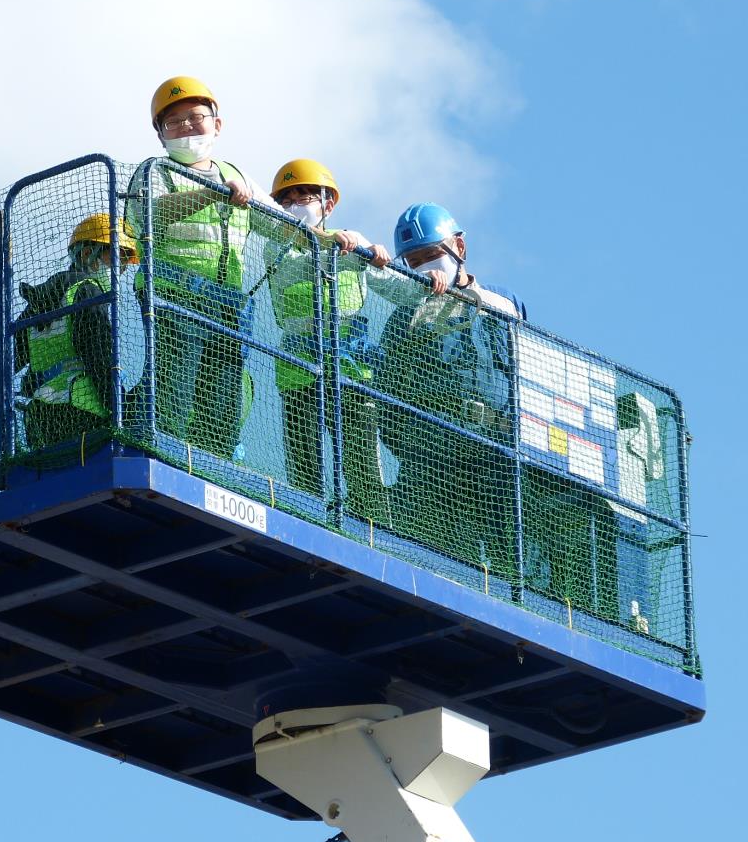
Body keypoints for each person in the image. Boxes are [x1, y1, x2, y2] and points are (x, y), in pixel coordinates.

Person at [125, 76, 282, 461]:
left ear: (217, 123)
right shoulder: (155, 172)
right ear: (160, 135)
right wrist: (211, 193)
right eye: (173, 123)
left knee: (224, 404)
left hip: (228, 307)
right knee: (172, 391)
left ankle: (214, 469)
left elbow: (287, 229)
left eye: (195, 117)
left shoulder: (238, 176)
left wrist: (336, 241)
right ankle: (159, 456)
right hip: (174, 294)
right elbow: (146, 216)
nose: (187, 128)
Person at [375, 203, 525, 575]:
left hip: (493, 453)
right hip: (427, 457)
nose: (423, 267)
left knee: (512, 563)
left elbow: (515, 322)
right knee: (424, 559)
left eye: (431, 255)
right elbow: (387, 391)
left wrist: (460, 298)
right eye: (413, 262)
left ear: (459, 247)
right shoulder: (403, 320)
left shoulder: (499, 302)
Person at [267, 159, 394, 521]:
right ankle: (308, 523)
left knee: (362, 463)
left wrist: (374, 255)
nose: (296, 203)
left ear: (328, 203)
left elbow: (398, 288)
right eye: (287, 199)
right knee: (305, 463)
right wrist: (333, 246)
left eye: (305, 194)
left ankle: (373, 530)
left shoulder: (353, 244)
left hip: (351, 372)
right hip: (298, 371)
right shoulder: (278, 246)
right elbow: (296, 265)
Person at [0, 213, 135, 463]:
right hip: (85, 421)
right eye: (116, 256)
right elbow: (102, 363)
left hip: (42, 424)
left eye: (125, 260)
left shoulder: (38, 303)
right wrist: (125, 412)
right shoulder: (88, 293)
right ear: (86, 255)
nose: (122, 268)